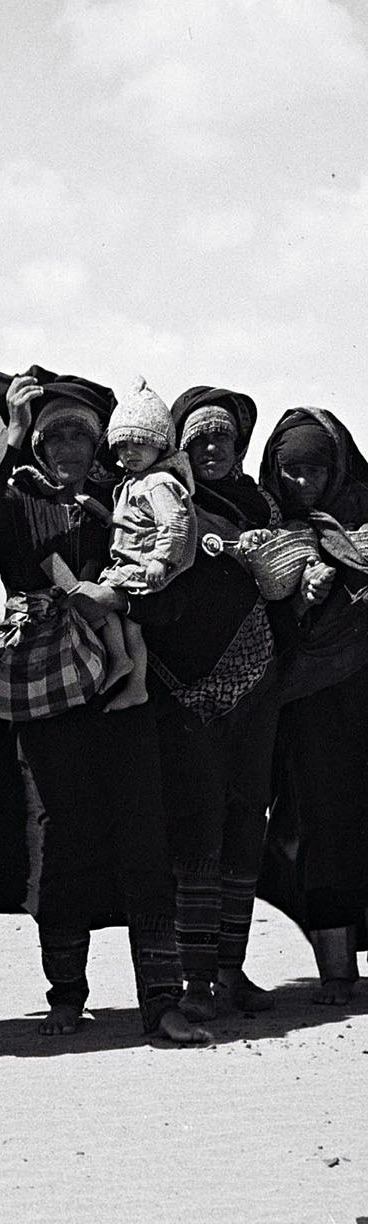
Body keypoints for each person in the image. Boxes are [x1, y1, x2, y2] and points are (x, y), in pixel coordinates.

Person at [0, 368, 209, 1044]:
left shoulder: (126, 496)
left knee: (145, 839)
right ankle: (66, 995)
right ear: (37, 445)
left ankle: (161, 1001)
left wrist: (119, 598)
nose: (66, 445)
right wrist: (11, 430)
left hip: (124, 695)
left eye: (79, 434)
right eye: (53, 435)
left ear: (99, 443)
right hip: (46, 688)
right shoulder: (13, 499)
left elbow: (175, 584)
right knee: (61, 840)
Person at [124, 387, 286, 1019]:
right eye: (198, 439)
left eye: (222, 437)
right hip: (180, 686)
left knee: (246, 822)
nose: (212, 448)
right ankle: (195, 981)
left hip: (257, 680)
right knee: (197, 827)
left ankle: (230, 970)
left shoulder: (261, 503)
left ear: (240, 444)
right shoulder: (161, 495)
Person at [257, 407, 368, 1004]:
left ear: (339, 468)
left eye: (315, 470)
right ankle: (337, 972)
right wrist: (300, 599)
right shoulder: (267, 528)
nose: (302, 483)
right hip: (309, 703)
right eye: (291, 471)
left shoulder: (364, 517)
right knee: (324, 824)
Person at [95, 377, 198, 711]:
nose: (130, 452)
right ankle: (135, 681)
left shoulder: (158, 482)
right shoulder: (135, 481)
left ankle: (120, 660)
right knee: (131, 626)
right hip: (131, 564)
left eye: (140, 443)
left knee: (96, 600)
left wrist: (160, 559)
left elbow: (175, 522)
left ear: (161, 445)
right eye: (123, 445)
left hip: (143, 567)